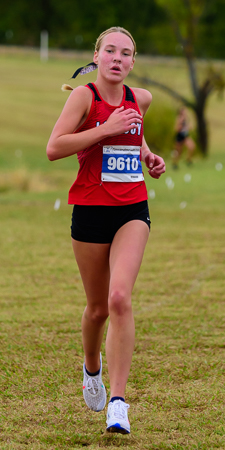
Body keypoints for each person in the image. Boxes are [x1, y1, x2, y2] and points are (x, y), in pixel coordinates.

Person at [47, 26, 165, 435]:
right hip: (90, 212)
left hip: (132, 208)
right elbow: (54, 147)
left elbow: (135, 132)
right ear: (96, 56)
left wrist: (148, 154)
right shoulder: (85, 97)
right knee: (97, 309)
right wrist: (104, 129)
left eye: (126, 53)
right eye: (110, 50)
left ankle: (118, 403)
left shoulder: (140, 98)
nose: (118, 58)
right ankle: (91, 370)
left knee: (119, 297)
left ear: (133, 62)